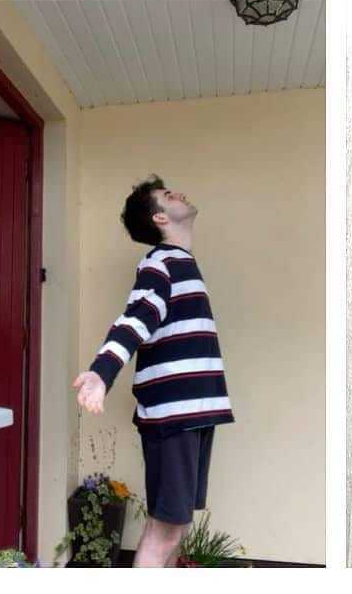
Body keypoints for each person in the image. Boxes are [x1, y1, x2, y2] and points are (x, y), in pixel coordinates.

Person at [72, 176, 234, 567]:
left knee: (173, 527)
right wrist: (101, 372)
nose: (179, 192)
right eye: (167, 195)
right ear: (160, 217)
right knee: (166, 531)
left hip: (191, 412)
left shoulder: (181, 264)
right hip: (175, 415)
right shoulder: (160, 264)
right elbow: (134, 320)